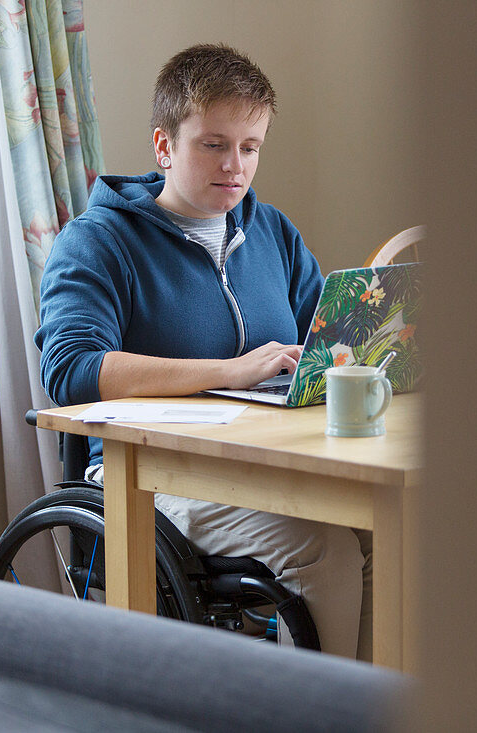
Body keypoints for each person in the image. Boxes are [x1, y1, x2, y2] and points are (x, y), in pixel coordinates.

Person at [35, 44, 371, 660]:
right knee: (327, 548)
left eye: (251, 147)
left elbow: (326, 347)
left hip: (265, 461)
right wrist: (230, 371)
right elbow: (71, 368)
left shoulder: (271, 231)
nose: (235, 166)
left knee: (392, 534)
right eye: (213, 144)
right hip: (149, 476)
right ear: (164, 146)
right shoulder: (99, 241)